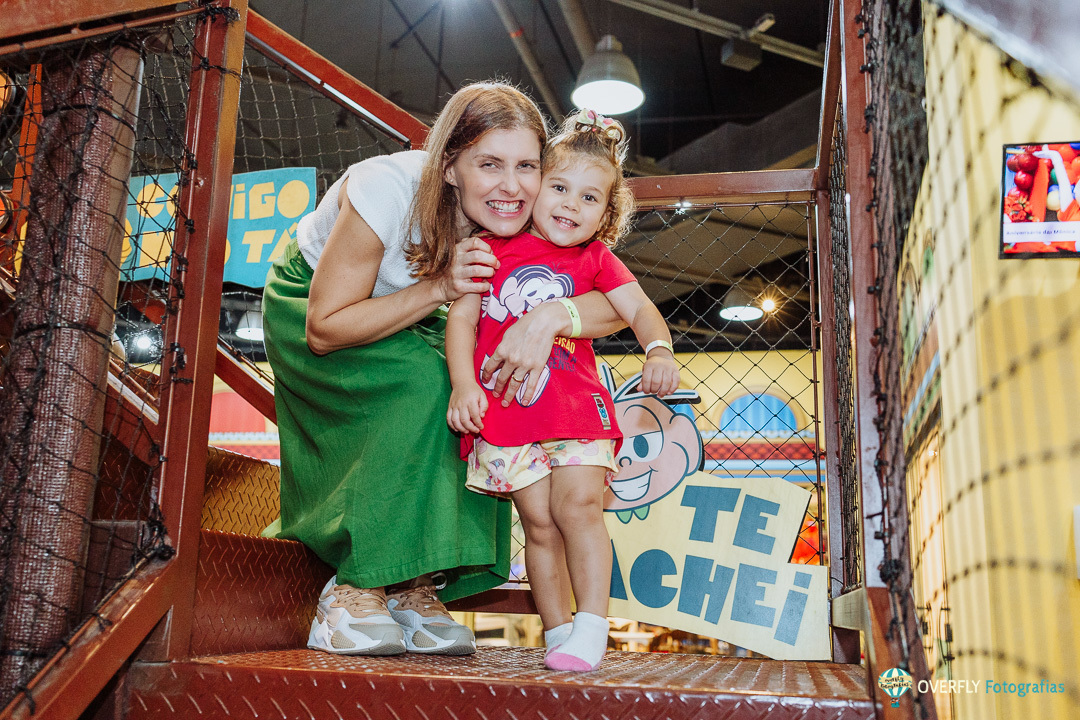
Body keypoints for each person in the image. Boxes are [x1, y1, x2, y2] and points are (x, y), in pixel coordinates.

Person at [262, 84, 625, 657]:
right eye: (489, 164)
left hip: (422, 312)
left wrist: (551, 317)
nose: (512, 186)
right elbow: (324, 328)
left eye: (527, 165)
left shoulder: (538, 208)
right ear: (450, 167)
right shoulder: (388, 187)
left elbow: (619, 299)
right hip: (312, 304)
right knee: (428, 384)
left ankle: (414, 582)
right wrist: (441, 285)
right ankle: (358, 582)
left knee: (483, 400)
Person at [445, 110, 681, 671]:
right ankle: (557, 634)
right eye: (559, 187)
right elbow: (461, 321)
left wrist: (660, 350)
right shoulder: (490, 247)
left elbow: (640, 311)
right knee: (540, 525)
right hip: (507, 418)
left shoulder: (595, 259)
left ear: (607, 213)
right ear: (536, 187)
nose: (571, 206)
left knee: (578, 510)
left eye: (590, 197)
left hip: (576, 412)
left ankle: (594, 627)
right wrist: (461, 385)